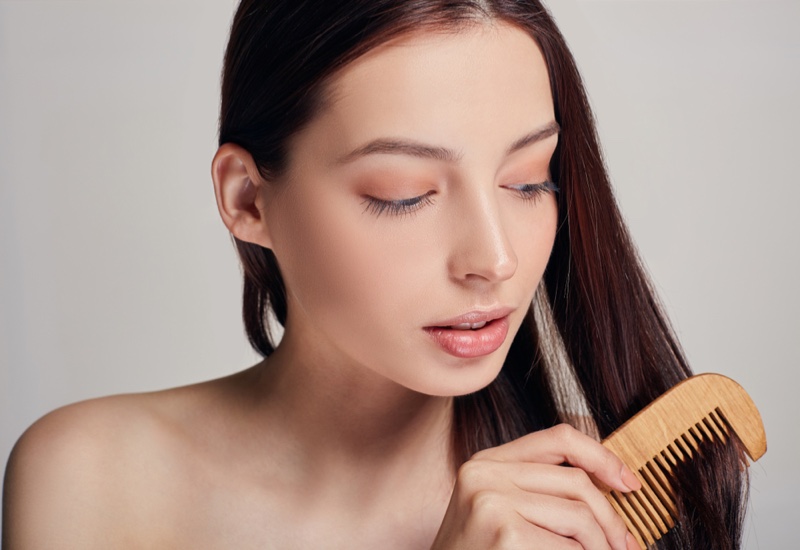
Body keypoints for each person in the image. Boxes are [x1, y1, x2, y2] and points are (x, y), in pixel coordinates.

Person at [2, 1, 748, 548]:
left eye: (529, 181)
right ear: (248, 198)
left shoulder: (604, 488)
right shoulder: (94, 480)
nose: (495, 260)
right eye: (404, 194)